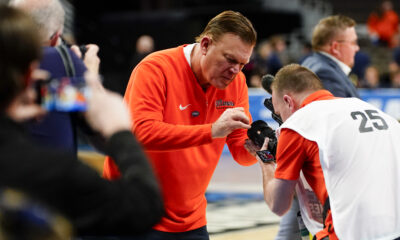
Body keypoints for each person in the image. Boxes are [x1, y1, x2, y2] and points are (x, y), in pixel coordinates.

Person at [0, 4, 163, 237]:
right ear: (29, 75)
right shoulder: (63, 63)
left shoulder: (44, 91)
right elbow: (143, 206)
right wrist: (118, 128)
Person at [103, 10, 258, 239]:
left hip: (191, 220)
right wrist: (213, 130)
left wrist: (258, 148)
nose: (235, 70)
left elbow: (240, 152)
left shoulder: (237, 84)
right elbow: (141, 132)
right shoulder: (155, 68)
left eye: (242, 64)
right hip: (136, 213)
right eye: (230, 59)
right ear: (205, 44)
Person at [259, 63, 400, 240]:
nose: (282, 120)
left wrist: (265, 161)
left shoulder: (297, 125)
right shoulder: (375, 112)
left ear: (288, 101)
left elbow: (278, 205)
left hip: (351, 232)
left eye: (279, 113)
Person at [9, 0, 101, 154]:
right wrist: (89, 76)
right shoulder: (61, 63)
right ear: (56, 36)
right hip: (53, 174)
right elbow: (104, 132)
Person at [302, 15, 360, 98]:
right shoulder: (326, 74)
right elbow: (337, 111)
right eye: (353, 43)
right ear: (335, 47)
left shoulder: (311, 63)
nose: (357, 48)